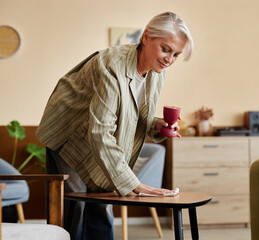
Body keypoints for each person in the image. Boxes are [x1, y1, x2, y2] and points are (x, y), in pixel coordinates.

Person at [36, 12, 193, 240]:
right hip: (69, 133)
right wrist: (133, 183)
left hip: (99, 136)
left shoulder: (157, 73)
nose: (170, 59)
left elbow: (133, 114)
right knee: (74, 211)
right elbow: (100, 131)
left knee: (102, 207)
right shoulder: (112, 65)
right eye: (166, 49)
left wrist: (156, 125)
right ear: (146, 37)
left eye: (176, 54)